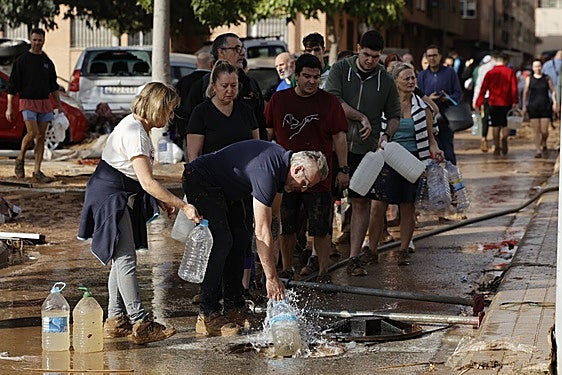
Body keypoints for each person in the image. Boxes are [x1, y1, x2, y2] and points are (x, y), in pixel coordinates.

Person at [78, 82, 200, 345]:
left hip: (116, 193)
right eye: (168, 111)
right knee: (125, 260)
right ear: (157, 107)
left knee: (120, 257)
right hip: (111, 197)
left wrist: (161, 199)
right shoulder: (135, 132)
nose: (170, 117)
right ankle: (140, 322)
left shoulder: (137, 127)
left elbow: (140, 176)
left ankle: (115, 319)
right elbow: (146, 182)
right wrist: (183, 205)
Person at [182, 140, 328, 336]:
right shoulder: (267, 172)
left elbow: (273, 219)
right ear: (297, 169)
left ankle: (234, 307)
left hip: (226, 189)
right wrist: (271, 278)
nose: (303, 190)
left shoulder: (281, 169)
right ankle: (208, 314)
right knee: (222, 241)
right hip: (200, 179)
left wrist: (272, 262)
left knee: (241, 239)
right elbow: (261, 230)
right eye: (305, 184)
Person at [265, 54, 348, 283]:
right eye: (307, 76)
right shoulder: (279, 100)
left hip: (320, 176)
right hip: (287, 176)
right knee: (286, 224)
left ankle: (323, 271)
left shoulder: (329, 102)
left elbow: (340, 138)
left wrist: (343, 169)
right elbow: (268, 135)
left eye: (316, 77)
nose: (312, 81)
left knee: (321, 226)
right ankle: (287, 268)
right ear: (296, 76)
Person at [325, 29, 401, 276]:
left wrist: (386, 136)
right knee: (325, 201)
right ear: (358, 48)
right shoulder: (340, 70)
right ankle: (320, 257)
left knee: (360, 202)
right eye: (366, 54)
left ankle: (354, 258)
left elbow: (394, 116)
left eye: (375, 57)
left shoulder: (386, 80)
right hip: (336, 145)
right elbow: (333, 102)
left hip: (367, 152)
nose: (370, 60)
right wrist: (361, 117)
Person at [186, 60, 260, 303]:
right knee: (220, 239)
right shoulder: (202, 113)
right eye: (225, 86)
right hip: (210, 185)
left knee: (240, 240)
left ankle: (234, 296)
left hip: (239, 186)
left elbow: (256, 147)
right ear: (214, 86)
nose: (230, 91)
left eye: (234, 86)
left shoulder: (245, 111)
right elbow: (194, 155)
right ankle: (209, 297)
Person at [370, 62, 444, 265]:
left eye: (413, 78)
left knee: (408, 206)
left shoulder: (423, 108)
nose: (411, 82)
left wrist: (436, 150)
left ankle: (403, 249)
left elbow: (431, 139)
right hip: (387, 160)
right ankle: (371, 250)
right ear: (395, 82)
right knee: (378, 206)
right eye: (407, 78)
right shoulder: (383, 106)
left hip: (413, 161)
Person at [6, 28, 64, 183]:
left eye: (40, 40)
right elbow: (12, 86)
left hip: (44, 103)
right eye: (34, 40)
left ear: (44, 40)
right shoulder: (22, 61)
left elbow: (53, 86)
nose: (37, 43)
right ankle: (20, 159)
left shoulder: (47, 63)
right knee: (31, 133)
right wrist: (9, 107)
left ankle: (37, 171)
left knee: (41, 136)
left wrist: (59, 105)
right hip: (27, 102)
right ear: (30, 40)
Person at [185, 33, 267, 140]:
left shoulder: (251, 84)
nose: (242, 53)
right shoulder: (201, 86)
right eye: (237, 49)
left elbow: (260, 123)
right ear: (221, 52)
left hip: (246, 154)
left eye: (242, 48)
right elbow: (188, 126)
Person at [417, 44, 462, 165]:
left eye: (434, 55)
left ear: (440, 56)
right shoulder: (422, 76)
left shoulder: (450, 72)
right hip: (428, 117)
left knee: (448, 147)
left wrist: (448, 97)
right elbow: (417, 97)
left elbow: (458, 93)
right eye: (429, 56)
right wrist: (429, 99)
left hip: (447, 117)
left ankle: (452, 178)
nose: (432, 58)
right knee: (431, 148)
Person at [474, 52, 518, 156]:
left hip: (493, 102)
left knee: (495, 125)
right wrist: (515, 101)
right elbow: (514, 88)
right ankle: (504, 139)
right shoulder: (510, 72)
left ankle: (496, 146)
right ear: (505, 61)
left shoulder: (490, 73)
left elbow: (483, 89)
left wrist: (478, 103)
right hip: (506, 102)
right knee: (506, 124)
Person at [173, 52, 213, 152]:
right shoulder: (213, 82)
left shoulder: (183, 82)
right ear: (212, 64)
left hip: (187, 130)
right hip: (210, 131)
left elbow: (176, 106)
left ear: (196, 64)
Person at [522, 59, 557, 158]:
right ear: (532, 68)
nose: (537, 68)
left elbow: (553, 91)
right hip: (533, 106)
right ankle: (538, 150)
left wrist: (555, 102)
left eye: (539, 66)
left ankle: (544, 142)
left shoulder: (547, 78)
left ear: (542, 67)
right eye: (535, 66)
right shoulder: (529, 79)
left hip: (545, 106)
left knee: (544, 130)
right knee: (536, 130)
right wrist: (524, 105)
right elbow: (525, 93)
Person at [472, 54, 495, 153]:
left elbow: (478, 85)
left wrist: (475, 100)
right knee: (496, 121)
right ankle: (496, 143)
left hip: (485, 97)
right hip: (496, 98)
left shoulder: (481, 68)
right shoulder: (497, 67)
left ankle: (484, 139)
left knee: (484, 119)